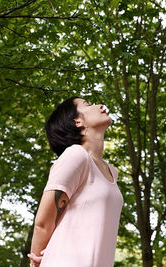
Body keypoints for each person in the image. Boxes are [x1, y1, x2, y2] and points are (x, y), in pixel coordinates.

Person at [28, 97, 123, 267]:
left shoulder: (112, 172)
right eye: (87, 104)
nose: (99, 105)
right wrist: (35, 263)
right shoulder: (76, 155)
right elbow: (43, 223)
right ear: (77, 121)